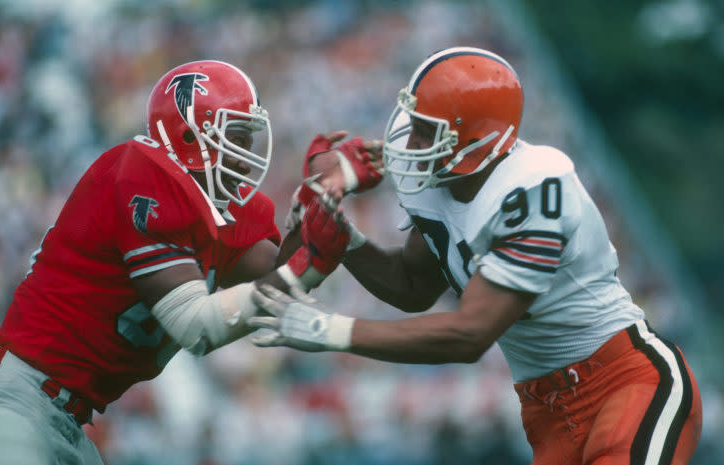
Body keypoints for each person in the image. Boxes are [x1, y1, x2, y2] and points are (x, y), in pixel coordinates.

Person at [248, 47, 703, 465]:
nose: (410, 142)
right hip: (546, 412)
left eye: (428, 132)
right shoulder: (440, 185)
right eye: (415, 124)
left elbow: (471, 335)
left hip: (624, 383)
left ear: (479, 140)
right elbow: (412, 287)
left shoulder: (535, 189)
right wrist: (347, 241)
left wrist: (327, 329)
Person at [0, 59, 382, 465]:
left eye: (248, 138)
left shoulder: (222, 212)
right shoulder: (143, 173)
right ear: (190, 134)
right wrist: (305, 266)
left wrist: (321, 200)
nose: (245, 152)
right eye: (236, 136)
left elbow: (279, 276)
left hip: (69, 419)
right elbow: (198, 326)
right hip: (10, 393)